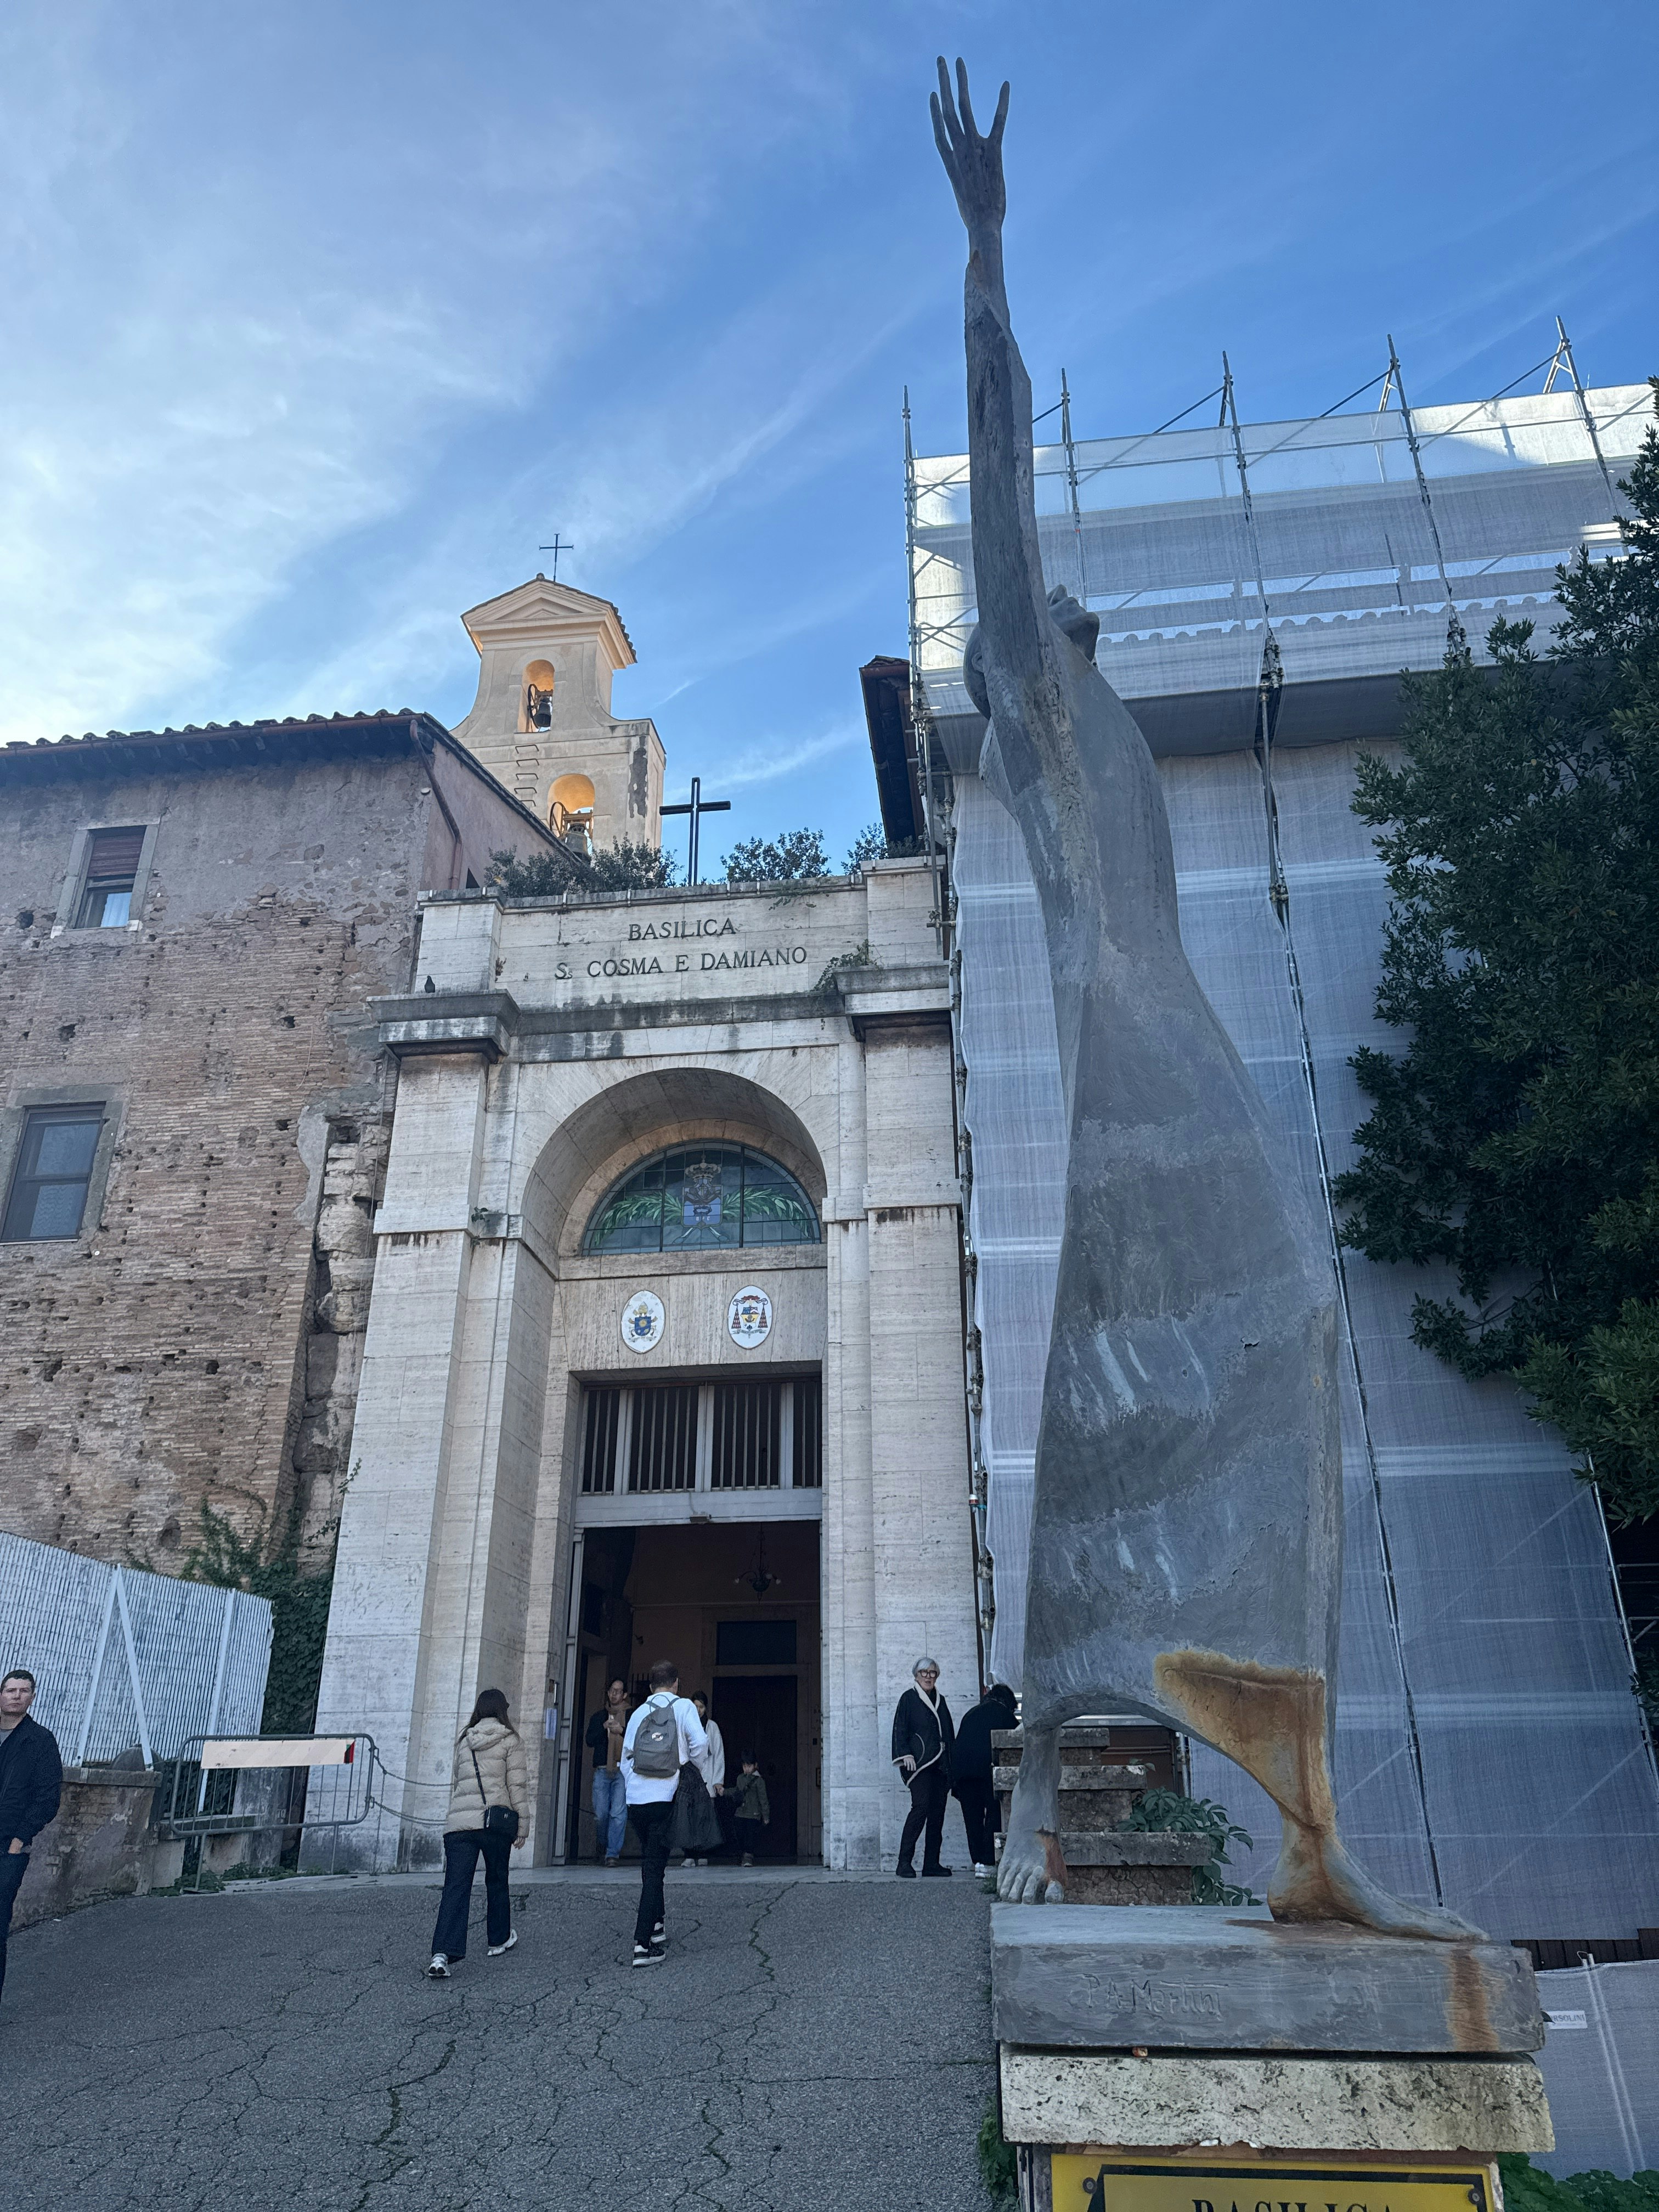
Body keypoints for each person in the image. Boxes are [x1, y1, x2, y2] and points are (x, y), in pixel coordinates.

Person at [426, 1688, 530, 1979]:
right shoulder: (510, 1740)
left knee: (456, 1888)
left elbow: (458, 1784)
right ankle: (498, 1940)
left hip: (459, 1826)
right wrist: (522, 1826)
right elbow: (517, 1788)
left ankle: (441, 1954)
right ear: (502, 1711)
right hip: (494, 1823)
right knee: (497, 1879)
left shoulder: (464, 1741)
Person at [620, 1660, 706, 1968]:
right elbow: (701, 1744)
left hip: (637, 1802)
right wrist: (688, 1766)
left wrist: (635, 1788)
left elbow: (625, 1759)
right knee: (654, 1870)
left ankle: (657, 1927)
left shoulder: (638, 1714)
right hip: (666, 1799)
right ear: (677, 1684)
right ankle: (643, 1945)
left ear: (650, 1686)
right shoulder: (683, 1708)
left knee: (652, 1861)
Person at [0, 1668, 63, 2006]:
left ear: (32, 1697)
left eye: (24, 1691)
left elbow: (47, 1797)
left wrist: (20, 1838)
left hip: (7, 1849)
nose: (16, 1696)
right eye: (10, 1690)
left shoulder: (40, 1741)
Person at [891, 1657, 955, 1878]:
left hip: (941, 1765)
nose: (928, 1677)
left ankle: (931, 1865)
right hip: (918, 1764)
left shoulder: (941, 1700)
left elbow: (949, 1732)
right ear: (916, 1676)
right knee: (921, 1808)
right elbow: (900, 1728)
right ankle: (904, 1863)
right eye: (924, 1673)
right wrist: (904, 1754)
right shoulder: (908, 1699)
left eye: (933, 1673)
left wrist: (952, 1764)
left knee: (937, 1814)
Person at [952, 1681, 1018, 1876]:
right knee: (995, 1813)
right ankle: (989, 1861)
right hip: (988, 1773)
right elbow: (1016, 1741)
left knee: (972, 1818)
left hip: (964, 1774)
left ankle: (978, 1862)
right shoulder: (1005, 1716)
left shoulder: (971, 1714)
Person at [584, 1679, 630, 1864]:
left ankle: (612, 1854)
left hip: (622, 1771)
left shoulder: (631, 1715)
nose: (614, 1694)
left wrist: (622, 1731)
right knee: (601, 1814)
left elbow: (637, 1740)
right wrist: (604, 1729)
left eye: (619, 1691)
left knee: (618, 1814)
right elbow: (589, 1741)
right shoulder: (599, 1717)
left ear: (625, 1695)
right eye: (612, 1690)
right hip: (602, 1770)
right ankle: (603, 1844)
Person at [690, 1693, 725, 1866]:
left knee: (705, 1818)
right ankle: (689, 1854)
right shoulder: (686, 1725)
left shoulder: (712, 1727)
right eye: (695, 1706)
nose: (698, 1711)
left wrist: (718, 1781)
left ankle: (703, 1853)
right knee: (689, 1818)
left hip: (708, 1777)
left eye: (701, 1707)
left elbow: (718, 1754)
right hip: (690, 1779)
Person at [729, 1757, 770, 1865]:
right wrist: (724, 1792)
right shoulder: (740, 1778)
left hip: (753, 1814)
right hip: (740, 1812)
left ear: (755, 1765)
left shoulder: (759, 1781)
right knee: (740, 1834)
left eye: (749, 1766)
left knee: (750, 1836)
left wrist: (766, 1816)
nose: (747, 1769)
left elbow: (763, 1799)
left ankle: (748, 1857)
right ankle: (742, 1855)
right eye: (744, 1766)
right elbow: (737, 1791)